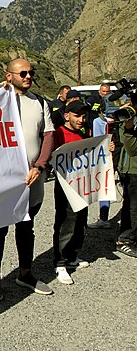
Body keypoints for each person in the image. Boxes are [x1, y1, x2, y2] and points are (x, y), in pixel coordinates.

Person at [0, 58, 54, 301]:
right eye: (22, 72)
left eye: (31, 72)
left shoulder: (39, 102)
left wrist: (39, 166)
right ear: (9, 76)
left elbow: (47, 136)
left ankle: (25, 273)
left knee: (26, 228)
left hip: (32, 179)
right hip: (2, 182)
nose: (28, 76)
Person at [51, 100, 114, 284]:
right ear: (67, 115)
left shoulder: (84, 133)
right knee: (65, 223)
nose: (81, 119)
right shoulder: (58, 133)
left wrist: (107, 149)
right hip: (65, 186)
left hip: (83, 185)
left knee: (80, 221)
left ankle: (72, 256)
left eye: (84, 116)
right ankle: (60, 262)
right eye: (77, 115)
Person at [88, 106, 116, 229]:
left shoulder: (98, 121)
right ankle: (104, 218)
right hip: (110, 156)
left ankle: (104, 219)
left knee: (105, 186)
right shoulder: (99, 121)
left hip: (115, 156)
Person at [116, 103, 137, 258]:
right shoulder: (128, 119)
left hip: (130, 169)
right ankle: (126, 239)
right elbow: (131, 148)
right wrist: (128, 126)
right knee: (133, 207)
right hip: (131, 170)